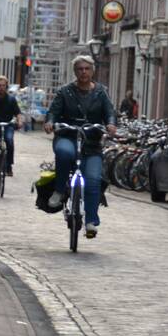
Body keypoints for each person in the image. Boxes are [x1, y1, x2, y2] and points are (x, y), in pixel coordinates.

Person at [43, 55, 117, 239]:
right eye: (80, 69)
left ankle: (91, 221)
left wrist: (110, 124)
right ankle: (60, 190)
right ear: (75, 72)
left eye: (87, 69)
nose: (83, 72)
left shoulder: (101, 92)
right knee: (64, 152)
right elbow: (53, 111)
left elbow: (110, 112)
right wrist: (50, 122)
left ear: (92, 71)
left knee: (93, 180)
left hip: (91, 143)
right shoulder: (65, 92)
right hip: (68, 135)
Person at [0, 75, 24, 180]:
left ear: (6, 86)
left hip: (7, 126)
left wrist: (19, 121)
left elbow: (18, 113)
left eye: (3, 85)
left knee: (9, 141)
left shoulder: (11, 99)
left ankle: (9, 166)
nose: (1, 87)